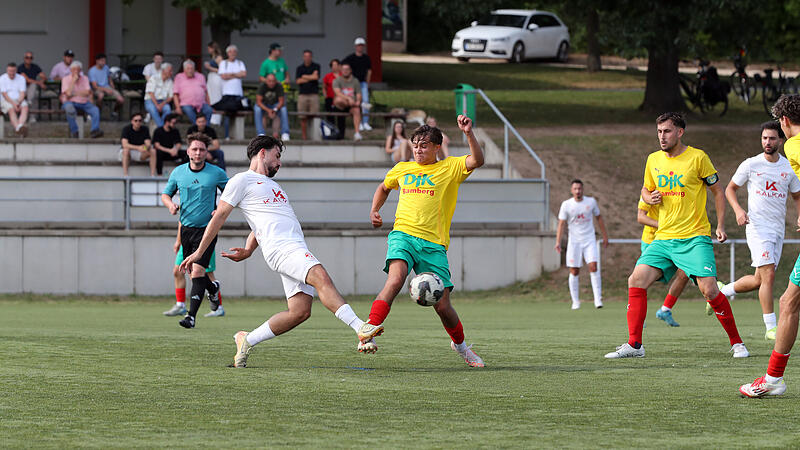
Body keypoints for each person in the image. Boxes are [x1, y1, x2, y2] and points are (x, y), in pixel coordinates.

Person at [177, 135, 380, 367]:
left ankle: (246, 340)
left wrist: (248, 249)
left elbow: (259, 224)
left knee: (300, 312)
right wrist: (199, 253)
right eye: (277, 155)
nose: (279, 162)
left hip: (294, 247)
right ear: (262, 153)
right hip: (282, 249)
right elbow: (219, 216)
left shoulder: (273, 185)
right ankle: (360, 327)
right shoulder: (241, 180)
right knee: (320, 276)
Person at [605, 112, 748, 359]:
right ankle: (635, 345)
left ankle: (737, 343)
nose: (662, 136)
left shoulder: (698, 157)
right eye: (659, 131)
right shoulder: (653, 160)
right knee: (635, 280)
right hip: (663, 238)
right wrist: (647, 197)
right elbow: (645, 189)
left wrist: (721, 225)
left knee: (711, 291)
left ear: (680, 132)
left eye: (667, 131)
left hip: (694, 238)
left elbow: (717, 191)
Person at [359, 116, 486, 368]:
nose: (418, 149)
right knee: (395, 280)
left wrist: (468, 134)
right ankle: (369, 329)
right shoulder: (402, 168)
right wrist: (374, 210)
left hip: (433, 244)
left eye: (424, 145)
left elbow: (478, 160)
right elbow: (384, 187)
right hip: (402, 235)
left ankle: (461, 347)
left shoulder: (449, 168)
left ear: (437, 147)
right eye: (415, 144)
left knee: (443, 307)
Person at [740, 95, 800, 397]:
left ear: (784, 121)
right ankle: (773, 378)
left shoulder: (792, 145)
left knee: (788, 301)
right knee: (789, 301)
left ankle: (773, 380)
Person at [722, 122, 800, 341]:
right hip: (757, 227)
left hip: (777, 230)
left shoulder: (788, 167)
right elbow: (730, 189)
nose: (768, 142)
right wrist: (738, 211)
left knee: (759, 280)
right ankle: (770, 327)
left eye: (772, 138)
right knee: (770, 275)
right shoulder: (751, 164)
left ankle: (723, 292)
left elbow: (797, 195)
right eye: (764, 138)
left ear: (780, 141)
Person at [162, 132, 227, 328]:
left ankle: (191, 317)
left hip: (207, 230)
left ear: (207, 152)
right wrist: (171, 205)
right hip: (186, 230)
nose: (198, 153)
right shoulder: (178, 172)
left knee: (198, 271)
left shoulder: (216, 173)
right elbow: (166, 194)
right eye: (194, 149)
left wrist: (220, 208)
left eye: (202, 150)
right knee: (190, 273)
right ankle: (212, 288)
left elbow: (231, 195)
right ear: (188, 151)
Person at [555, 180, 609, 309]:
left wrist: (605, 236)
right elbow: (561, 224)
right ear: (571, 190)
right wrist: (558, 241)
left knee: (593, 266)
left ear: (582, 189)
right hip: (574, 241)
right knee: (574, 270)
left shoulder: (590, 202)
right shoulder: (566, 205)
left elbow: (599, 218)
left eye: (579, 188)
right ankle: (575, 301)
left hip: (589, 240)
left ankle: (597, 299)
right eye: (575, 189)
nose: (577, 191)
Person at [637, 199, 690, 327]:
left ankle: (665, 309)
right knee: (643, 279)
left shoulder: (678, 187)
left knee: (685, 273)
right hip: (652, 241)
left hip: (674, 239)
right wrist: (665, 225)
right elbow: (641, 217)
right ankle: (637, 315)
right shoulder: (651, 189)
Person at [164, 224, 225, 318]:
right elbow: (181, 218)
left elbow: (219, 216)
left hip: (203, 239)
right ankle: (180, 305)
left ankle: (218, 307)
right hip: (187, 238)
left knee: (205, 273)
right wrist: (178, 240)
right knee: (178, 271)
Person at [60, 61, 103, 139]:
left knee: (95, 110)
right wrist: (73, 81)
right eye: (74, 70)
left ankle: (95, 130)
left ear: (80, 70)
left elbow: (87, 92)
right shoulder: (65, 79)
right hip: (69, 102)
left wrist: (74, 93)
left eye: (78, 70)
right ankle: (75, 132)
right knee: (70, 110)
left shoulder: (85, 78)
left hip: (83, 101)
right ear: (71, 70)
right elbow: (68, 94)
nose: (76, 71)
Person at [258, 43, 290, 140]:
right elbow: (261, 77)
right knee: (264, 113)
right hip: (269, 95)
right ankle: (262, 134)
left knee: (282, 110)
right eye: (278, 50)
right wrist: (272, 82)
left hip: (281, 91)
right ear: (272, 51)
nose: (280, 52)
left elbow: (287, 73)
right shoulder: (266, 63)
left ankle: (283, 133)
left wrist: (287, 79)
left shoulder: (282, 61)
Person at [213, 44, 247, 139]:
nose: (233, 53)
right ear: (227, 53)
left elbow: (243, 74)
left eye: (234, 52)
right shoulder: (224, 63)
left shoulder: (240, 63)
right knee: (227, 112)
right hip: (227, 93)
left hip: (238, 94)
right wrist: (236, 74)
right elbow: (223, 76)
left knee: (237, 111)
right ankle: (227, 134)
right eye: (231, 52)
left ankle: (234, 134)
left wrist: (230, 75)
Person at [343, 37, 372, 131]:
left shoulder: (366, 58)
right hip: (354, 83)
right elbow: (343, 66)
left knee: (365, 102)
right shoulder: (350, 58)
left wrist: (368, 83)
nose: (360, 47)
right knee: (356, 102)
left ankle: (365, 122)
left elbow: (369, 71)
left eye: (361, 46)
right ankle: (358, 122)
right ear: (356, 46)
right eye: (358, 45)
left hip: (363, 83)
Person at [173, 59, 212, 124]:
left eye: (192, 68)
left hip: (201, 103)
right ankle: (198, 128)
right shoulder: (179, 77)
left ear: (194, 69)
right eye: (188, 68)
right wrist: (177, 107)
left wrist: (209, 104)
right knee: (189, 111)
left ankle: (205, 129)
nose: (190, 70)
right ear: (184, 69)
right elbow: (175, 94)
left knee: (209, 110)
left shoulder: (201, 76)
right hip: (186, 104)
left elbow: (206, 92)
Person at [88, 53, 124, 119]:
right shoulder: (92, 71)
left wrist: (112, 85)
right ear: (97, 61)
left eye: (104, 61)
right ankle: (97, 112)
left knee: (121, 100)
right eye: (102, 61)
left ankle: (114, 112)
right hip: (97, 88)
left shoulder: (106, 67)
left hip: (107, 87)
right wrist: (105, 89)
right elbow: (94, 86)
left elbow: (109, 77)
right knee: (100, 96)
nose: (104, 62)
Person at [332, 63, 362, 141]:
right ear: (341, 70)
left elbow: (358, 94)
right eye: (343, 69)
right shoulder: (337, 80)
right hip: (341, 105)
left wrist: (358, 101)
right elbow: (338, 93)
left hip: (352, 106)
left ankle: (357, 133)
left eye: (347, 69)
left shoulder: (355, 81)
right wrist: (349, 99)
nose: (345, 71)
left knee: (357, 110)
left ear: (350, 70)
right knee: (338, 100)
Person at [295, 50, 320, 140]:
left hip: (314, 94)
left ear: (311, 57)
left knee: (314, 116)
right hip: (303, 95)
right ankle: (304, 137)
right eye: (305, 56)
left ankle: (314, 137)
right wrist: (311, 77)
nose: (307, 58)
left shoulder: (316, 66)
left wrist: (304, 76)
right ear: (303, 57)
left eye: (309, 56)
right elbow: (298, 81)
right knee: (303, 117)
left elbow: (316, 77)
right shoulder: (299, 68)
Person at [120, 112, 155, 176]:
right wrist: (138, 147)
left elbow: (148, 144)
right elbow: (124, 145)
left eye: (140, 120)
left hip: (140, 152)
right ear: (132, 121)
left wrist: (145, 148)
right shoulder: (126, 129)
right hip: (128, 152)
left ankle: (152, 175)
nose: (138, 122)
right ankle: (125, 175)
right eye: (136, 121)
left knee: (153, 151)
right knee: (126, 150)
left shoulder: (145, 129)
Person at [0, 62, 30, 137]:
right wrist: (14, 104)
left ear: (16, 70)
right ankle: (18, 128)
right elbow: (4, 94)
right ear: (7, 70)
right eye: (10, 71)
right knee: (11, 109)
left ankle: (19, 126)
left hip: (19, 99)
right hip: (6, 100)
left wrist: (18, 102)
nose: (11, 73)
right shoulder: (2, 78)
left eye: (13, 71)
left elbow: (22, 93)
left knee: (25, 107)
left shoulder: (21, 78)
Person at [18, 51, 46, 120]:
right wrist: (39, 83)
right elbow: (26, 80)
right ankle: (26, 114)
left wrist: (42, 81)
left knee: (34, 93)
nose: (29, 59)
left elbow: (44, 76)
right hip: (22, 89)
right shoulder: (20, 67)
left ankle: (32, 117)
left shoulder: (35, 67)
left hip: (32, 90)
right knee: (33, 89)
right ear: (24, 58)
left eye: (30, 58)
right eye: (27, 57)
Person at [254, 73, 284, 138]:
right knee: (257, 109)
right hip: (264, 106)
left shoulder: (279, 86)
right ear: (266, 81)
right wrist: (268, 111)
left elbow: (281, 102)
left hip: (274, 106)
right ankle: (261, 134)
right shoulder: (262, 86)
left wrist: (274, 110)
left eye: (273, 81)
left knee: (283, 109)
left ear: (276, 81)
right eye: (269, 81)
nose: (271, 83)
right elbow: (258, 102)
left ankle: (280, 133)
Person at [144, 62, 174, 128]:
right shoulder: (154, 78)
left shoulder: (170, 81)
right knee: (153, 109)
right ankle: (162, 127)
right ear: (164, 71)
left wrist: (162, 104)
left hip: (163, 101)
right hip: (150, 100)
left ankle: (161, 126)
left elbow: (171, 97)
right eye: (170, 71)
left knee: (168, 109)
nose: (172, 73)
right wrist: (157, 105)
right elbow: (151, 93)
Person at [322, 59, 345, 139]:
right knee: (330, 117)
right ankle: (331, 134)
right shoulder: (328, 76)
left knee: (341, 117)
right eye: (333, 65)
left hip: (340, 100)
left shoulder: (343, 76)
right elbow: (324, 87)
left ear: (339, 66)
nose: (334, 67)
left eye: (336, 65)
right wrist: (326, 96)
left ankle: (341, 135)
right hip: (330, 99)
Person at [204, 42, 224, 126]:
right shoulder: (212, 57)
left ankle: (216, 119)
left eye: (209, 48)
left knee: (216, 96)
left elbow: (221, 70)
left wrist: (209, 67)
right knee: (211, 96)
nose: (208, 50)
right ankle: (212, 116)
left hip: (216, 78)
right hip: (211, 78)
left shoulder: (219, 57)